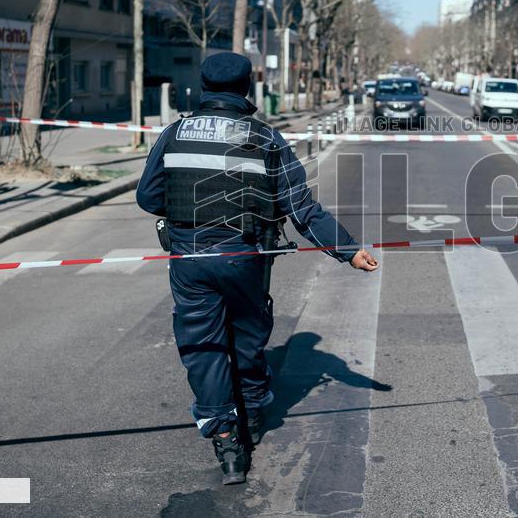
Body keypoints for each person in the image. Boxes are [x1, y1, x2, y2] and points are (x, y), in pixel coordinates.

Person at [136, 53, 378, 486]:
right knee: (247, 334)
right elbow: (301, 208)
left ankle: (225, 436)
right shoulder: (265, 138)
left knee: (201, 345)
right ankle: (250, 412)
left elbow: (148, 197)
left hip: (188, 256)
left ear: (203, 86)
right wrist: (348, 250)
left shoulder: (175, 133)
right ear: (247, 88)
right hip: (245, 256)